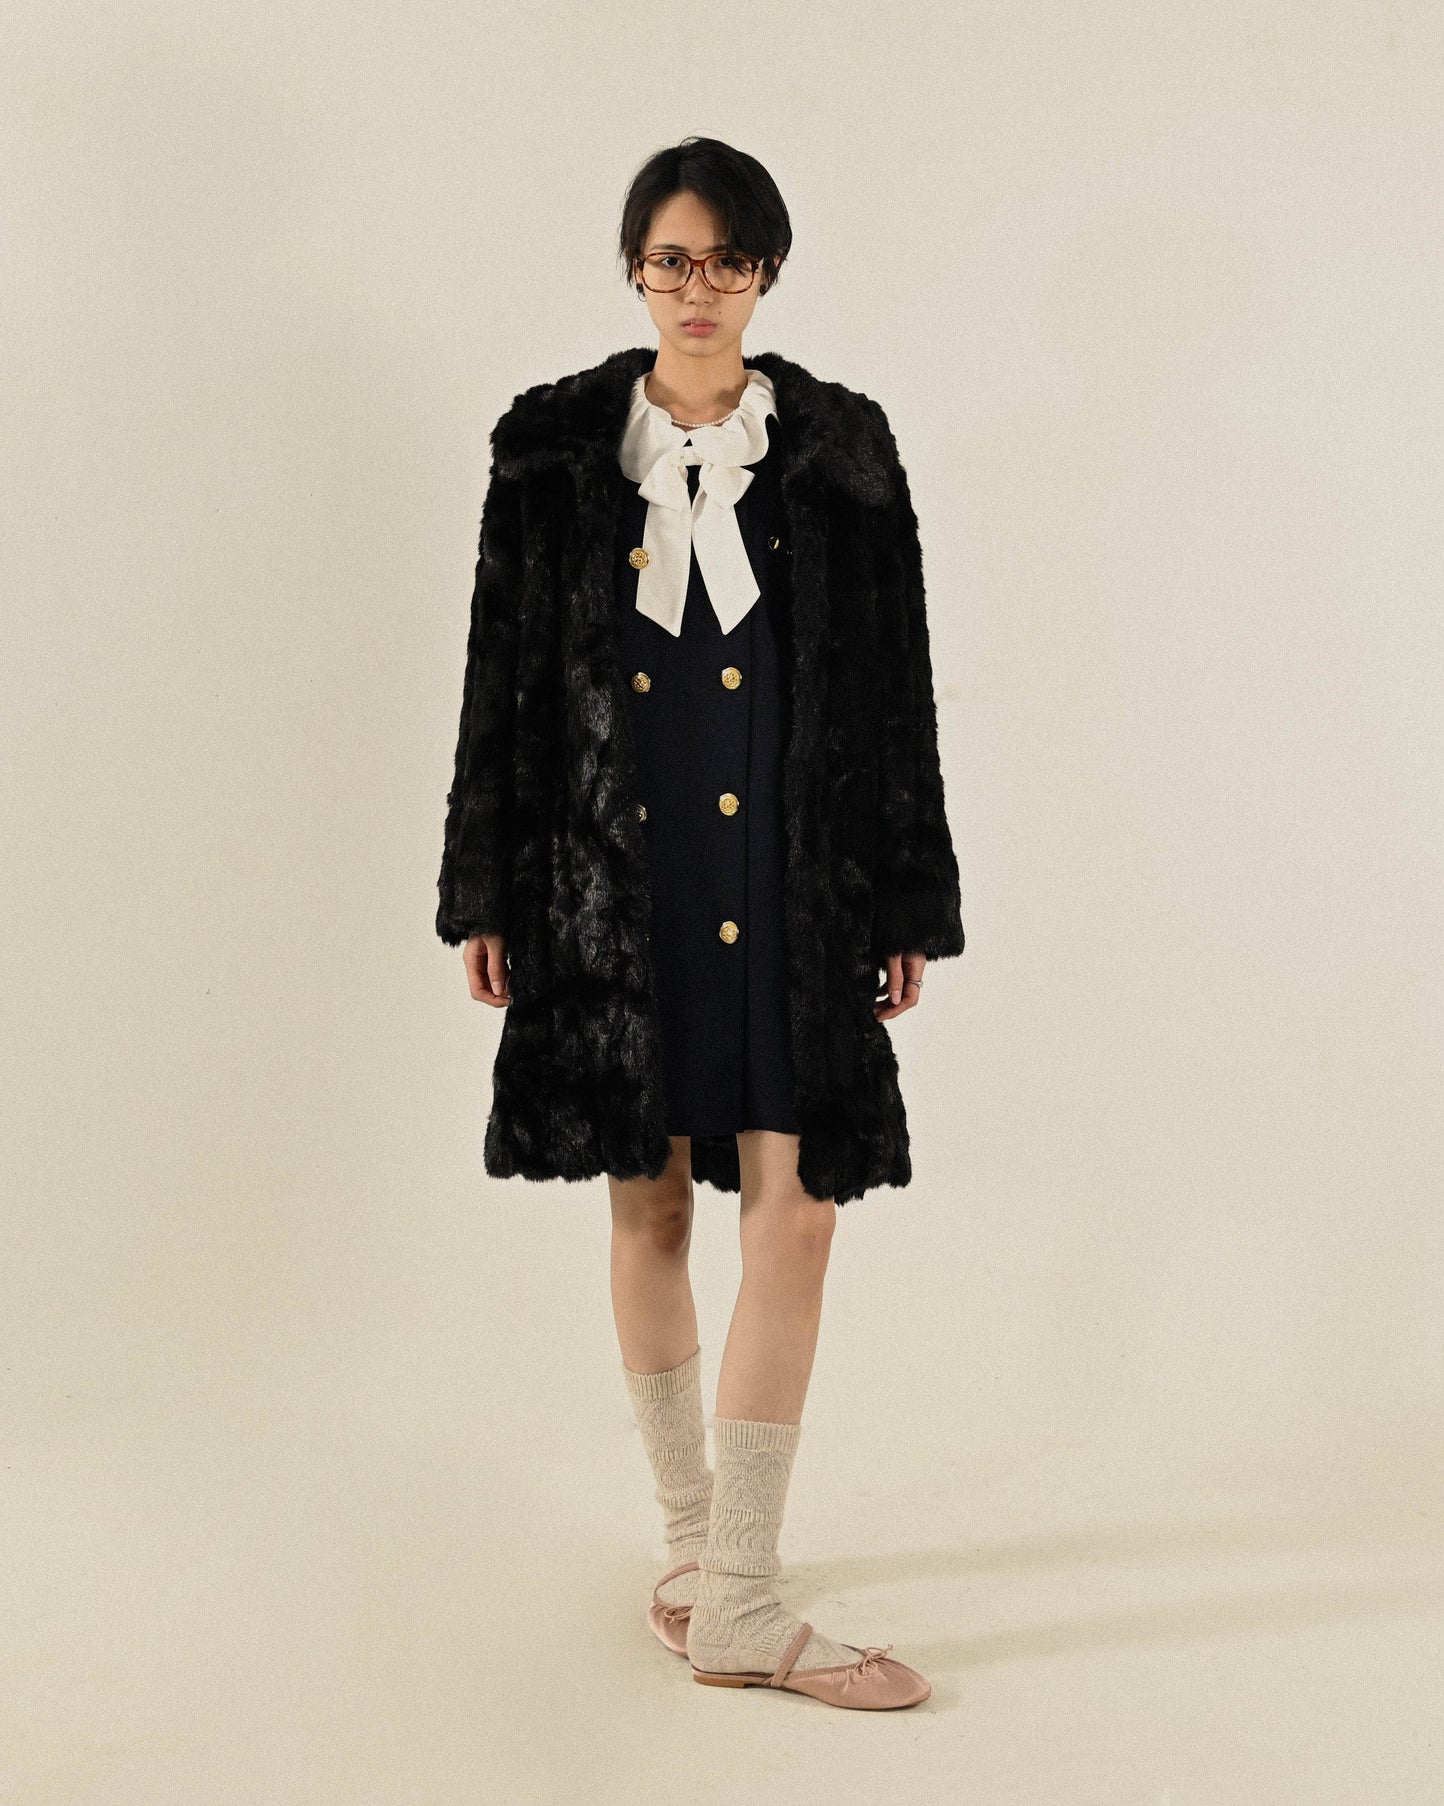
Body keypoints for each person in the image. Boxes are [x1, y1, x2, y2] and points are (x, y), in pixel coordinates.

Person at [436, 137, 965, 1709]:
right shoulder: (550, 453)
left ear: (764, 274)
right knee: (651, 1203)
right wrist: (486, 885)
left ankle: (738, 1595)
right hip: (616, 875)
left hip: (789, 877)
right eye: (672, 259)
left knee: (795, 1211)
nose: (697, 288)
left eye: (727, 261)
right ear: (634, 268)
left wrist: (906, 890)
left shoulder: (843, 452)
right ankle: (693, 1550)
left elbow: (896, 686)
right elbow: (498, 676)